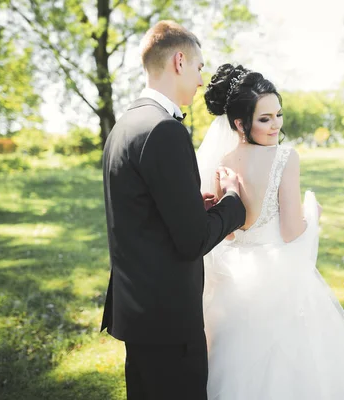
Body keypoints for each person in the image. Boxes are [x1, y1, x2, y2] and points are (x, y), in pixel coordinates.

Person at [197, 64, 344, 400]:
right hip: (277, 275)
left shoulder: (224, 160)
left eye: (278, 115)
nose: (276, 124)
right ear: (240, 123)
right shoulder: (285, 158)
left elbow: (228, 235)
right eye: (265, 118)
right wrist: (311, 215)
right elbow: (290, 231)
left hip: (235, 281)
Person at [100, 23, 246, 400]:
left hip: (140, 312)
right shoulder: (164, 129)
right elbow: (193, 240)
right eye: (199, 67)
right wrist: (232, 202)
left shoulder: (125, 125)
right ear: (179, 61)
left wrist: (189, 205)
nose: (201, 81)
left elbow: (141, 211)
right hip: (169, 320)